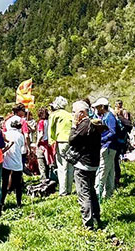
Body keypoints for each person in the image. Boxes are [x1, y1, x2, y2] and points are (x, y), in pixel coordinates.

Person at [67, 100, 104, 229]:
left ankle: (88, 224)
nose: (72, 115)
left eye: (74, 112)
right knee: (91, 190)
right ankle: (96, 216)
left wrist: (73, 125)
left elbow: (71, 140)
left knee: (84, 194)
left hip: (83, 164)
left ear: (81, 113)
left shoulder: (84, 124)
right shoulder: (94, 124)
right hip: (93, 163)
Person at [49, 97, 75, 196]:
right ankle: (69, 189)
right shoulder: (69, 115)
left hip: (61, 141)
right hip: (71, 141)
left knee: (62, 166)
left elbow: (51, 129)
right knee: (70, 166)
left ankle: (63, 191)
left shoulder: (54, 115)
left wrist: (51, 141)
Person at [95, 98, 120, 200]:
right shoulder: (107, 116)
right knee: (110, 171)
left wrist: (102, 139)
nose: (96, 109)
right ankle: (108, 194)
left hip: (108, 147)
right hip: (111, 147)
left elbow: (113, 132)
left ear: (102, 106)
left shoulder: (109, 117)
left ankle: (98, 194)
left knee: (102, 170)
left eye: (97, 106)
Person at [1, 116, 26, 208]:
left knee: (4, 184)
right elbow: (22, 147)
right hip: (17, 162)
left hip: (6, 162)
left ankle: (2, 202)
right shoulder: (20, 136)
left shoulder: (6, 134)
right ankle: (19, 203)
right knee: (18, 185)